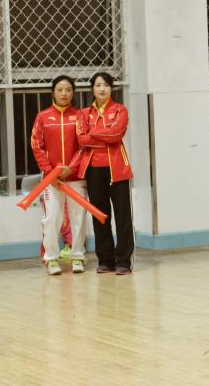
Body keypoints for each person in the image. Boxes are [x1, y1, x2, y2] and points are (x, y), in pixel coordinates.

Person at [77, 72, 134, 275]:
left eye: (106, 85)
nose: (102, 89)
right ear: (92, 88)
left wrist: (93, 133)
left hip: (117, 169)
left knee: (123, 217)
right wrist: (104, 135)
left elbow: (116, 134)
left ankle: (124, 261)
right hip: (93, 170)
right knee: (100, 216)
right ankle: (105, 260)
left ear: (111, 88)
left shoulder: (120, 110)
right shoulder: (84, 114)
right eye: (98, 85)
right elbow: (81, 139)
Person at [31, 75, 88, 276]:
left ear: (73, 93)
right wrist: (51, 172)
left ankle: (77, 256)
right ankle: (51, 259)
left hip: (76, 178)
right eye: (60, 89)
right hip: (51, 180)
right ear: (53, 92)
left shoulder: (80, 116)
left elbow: (83, 146)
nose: (64, 93)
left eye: (68, 90)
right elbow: (37, 146)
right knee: (51, 218)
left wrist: (70, 168)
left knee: (79, 218)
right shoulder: (43, 117)